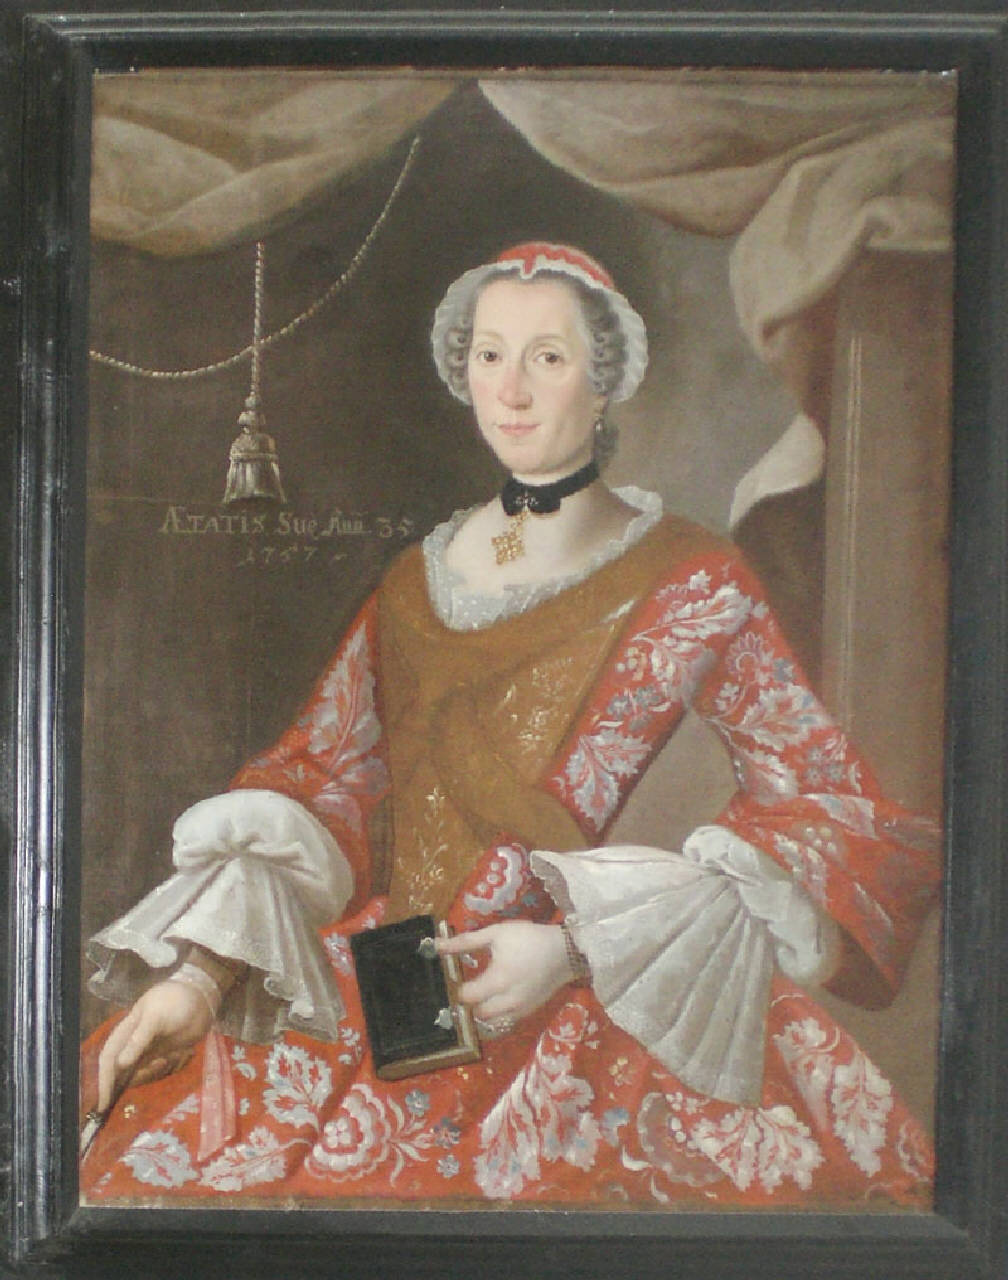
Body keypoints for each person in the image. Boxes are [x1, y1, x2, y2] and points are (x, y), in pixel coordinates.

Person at [80, 241, 940, 1207]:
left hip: (569, 1003)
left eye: (548, 357)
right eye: (490, 355)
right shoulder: (414, 580)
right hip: (386, 985)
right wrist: (199, 980)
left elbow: (823, 806)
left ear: (605, 381)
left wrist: (578, 950)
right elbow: (318, 783)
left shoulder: (694, 577)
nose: (513, 391)